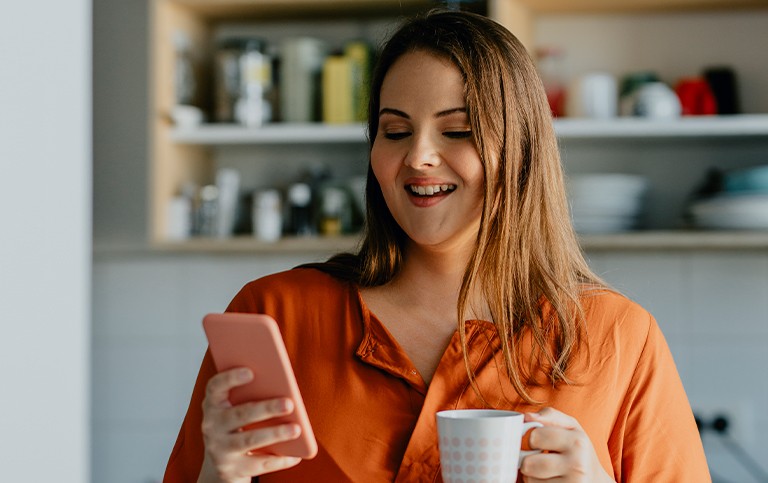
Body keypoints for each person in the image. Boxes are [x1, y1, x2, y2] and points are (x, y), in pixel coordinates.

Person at [164, 9, 710, 483]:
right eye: (395, 132)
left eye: (457, 130)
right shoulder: (277, 316)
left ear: (519, 149)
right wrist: (222, 473)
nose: (418, 157)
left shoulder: (619, 337)